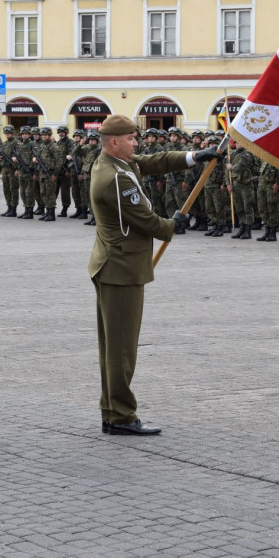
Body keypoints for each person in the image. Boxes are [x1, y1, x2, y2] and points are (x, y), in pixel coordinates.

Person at [88, 115, 218, 435]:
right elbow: (145, 220)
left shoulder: (114, 163)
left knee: (114, 347)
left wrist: (194, 157)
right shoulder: (116, 177)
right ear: (115, 141)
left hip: (115, 266)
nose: (137, 143)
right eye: (132, 138)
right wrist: (174, 225)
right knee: (121, 350)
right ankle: (120, 416)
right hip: (121, 270)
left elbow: (155, 161)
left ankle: (112, 410)